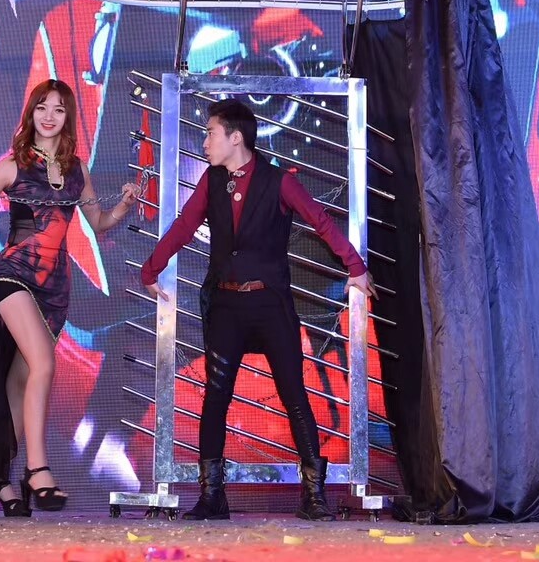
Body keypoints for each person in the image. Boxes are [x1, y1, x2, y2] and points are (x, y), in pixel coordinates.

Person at [140, 99, 377, 522]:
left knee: (294, 394)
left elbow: (320, 220)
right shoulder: (211, 181)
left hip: (270, 304)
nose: (205, 142)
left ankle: (314, 496)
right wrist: (151, 268)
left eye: (211, 133)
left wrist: (355, 267)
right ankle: (213, 497)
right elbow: (184, 226)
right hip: (226, 303)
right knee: (215, 397)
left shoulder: (278, 181)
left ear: (236, 138)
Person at [0, 79, 139, 517]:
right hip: (13, 279)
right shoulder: (11, 167)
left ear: (68, 118)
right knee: (45, 364)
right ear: (31, 114)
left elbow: (98, 222)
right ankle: (37, 469)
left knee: (19, 383)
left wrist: (124, 207)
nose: (49, 116)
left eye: (59, 109)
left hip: (54, 292)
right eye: (42, 107)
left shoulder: (77, 171)